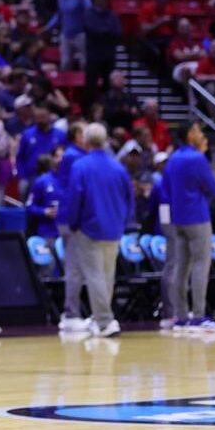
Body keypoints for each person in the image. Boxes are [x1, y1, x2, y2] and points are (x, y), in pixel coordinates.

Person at [65, 124, 133, 338]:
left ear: (85, 141)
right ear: (104, 141)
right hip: (113, 228)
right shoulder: (118, 167)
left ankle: (104, 321)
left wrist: (73, 223)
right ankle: (99, 317)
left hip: (89, 228)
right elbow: (129, 199)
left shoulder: (80, 166)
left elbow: (75, 198)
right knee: (107, 275)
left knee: (94, 275)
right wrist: (122, 222)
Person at [160, 122, 215, 334]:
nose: (201, 134)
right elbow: (213, 188)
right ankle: (198, 316)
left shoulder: (173, 159)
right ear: (189, 135)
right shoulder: (197, 158)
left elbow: (165, 187)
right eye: (197, 131)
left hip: (178, 218)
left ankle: (181, 316)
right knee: (200, 264)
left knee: (181, 266)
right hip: (197, 216)